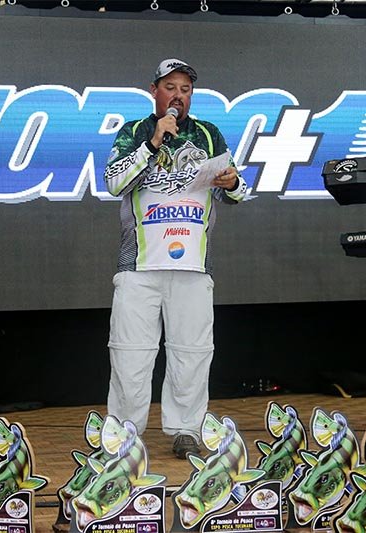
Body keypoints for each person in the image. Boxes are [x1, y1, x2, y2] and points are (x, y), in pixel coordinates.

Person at [103, 59, 247, 458]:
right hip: (139, 265)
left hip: (193, 265)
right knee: (130, 353)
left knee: (192, 353)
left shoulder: (208, 134)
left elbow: (238, 191)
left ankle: (186, 429)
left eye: (185, 89)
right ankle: (124, 434)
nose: (178, 96)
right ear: (154, 91)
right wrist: (153, 143)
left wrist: (231, 181)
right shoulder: (134, 131)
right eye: (171, 87)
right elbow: (114, 182)